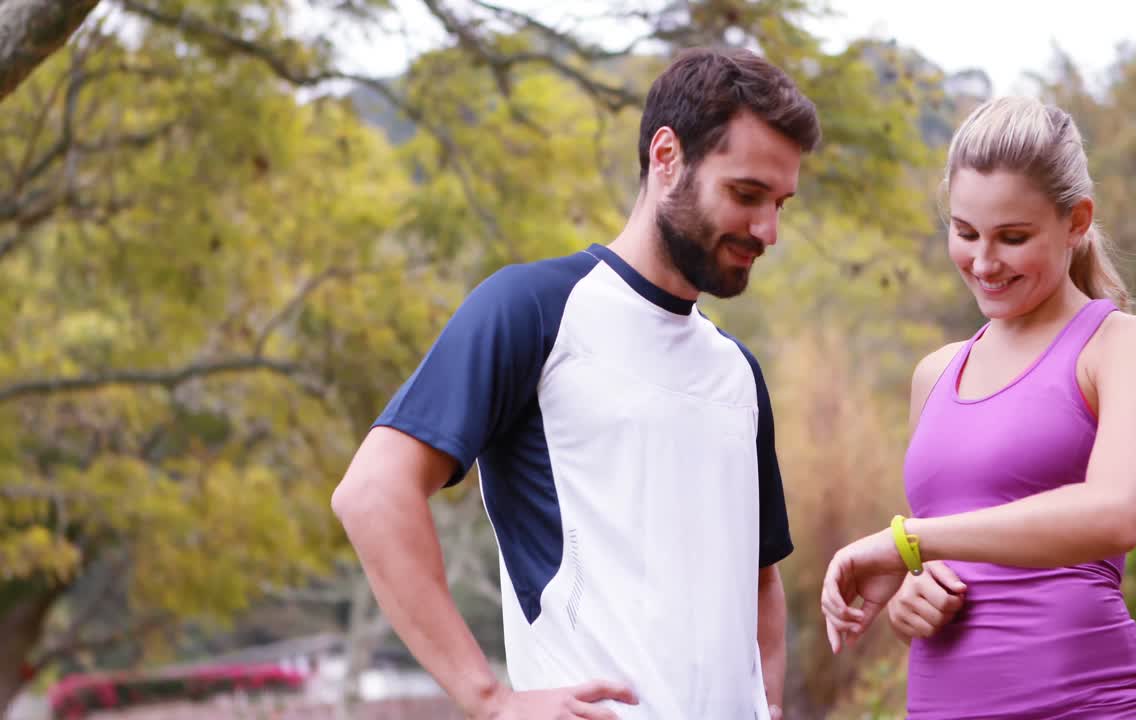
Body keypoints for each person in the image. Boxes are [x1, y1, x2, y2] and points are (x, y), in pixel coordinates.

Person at [331, 47, 820, 720]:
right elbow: (372, 493)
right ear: (667, 156)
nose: (768, 229)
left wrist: (766, 707)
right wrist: (492, 701)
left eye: (780, 203)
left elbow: (760, 579)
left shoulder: (737, 372)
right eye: (746, 194)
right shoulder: (532, 310)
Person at [819, 96, 1136, 720]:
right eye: (965, 233)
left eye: (1013, 238)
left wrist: (907, 544)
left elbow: (1116, 513)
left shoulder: (1125, 347)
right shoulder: (935, 374)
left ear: (1077, 221)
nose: (984, 263)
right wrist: (910, 596)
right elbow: (950, 552)